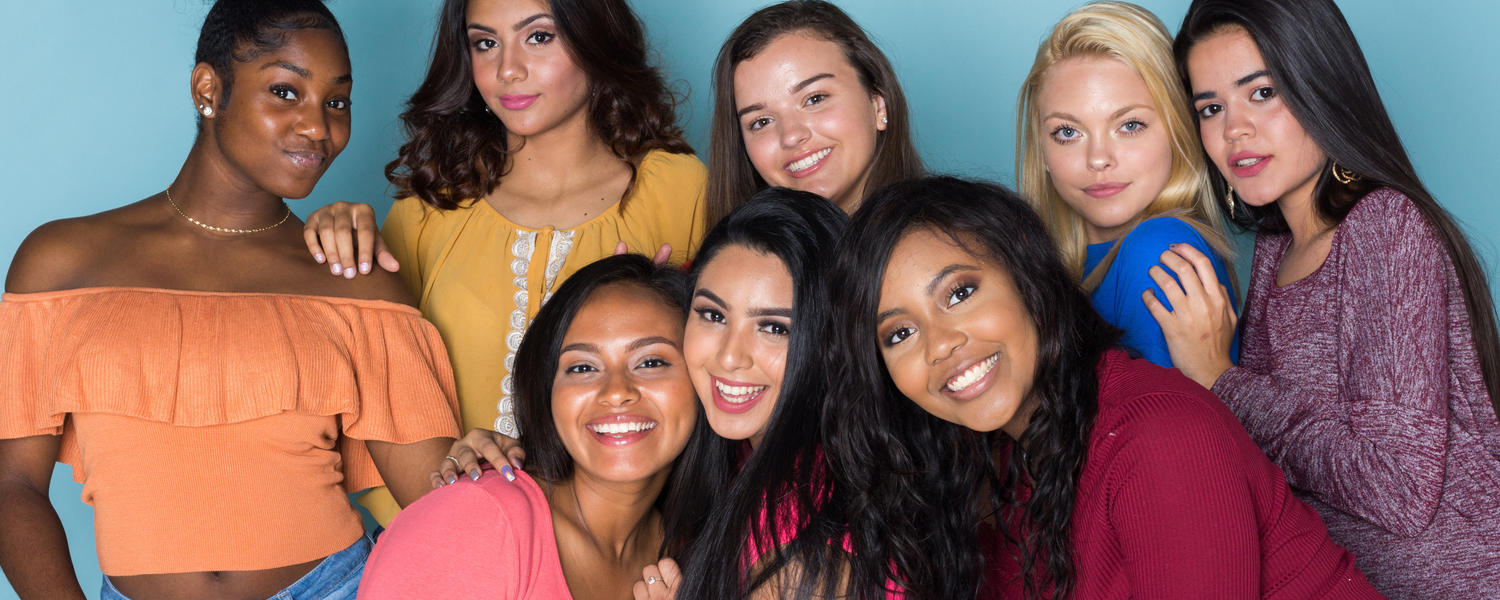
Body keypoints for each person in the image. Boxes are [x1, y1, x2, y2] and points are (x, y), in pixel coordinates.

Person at [0, 2, 460, 599]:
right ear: (208, 88)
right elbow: (13, 485)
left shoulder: (353, 277)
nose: (319, 127)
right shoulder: (61, 262)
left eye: (337, 101)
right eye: (285, 91)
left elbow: (441, 505)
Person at [824, 177, 1379, 599]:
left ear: (1026, 276)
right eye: (899, 333)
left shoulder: (1159, 437)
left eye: (960, 293)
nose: (939, 344)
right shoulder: (996, 470)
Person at [301, 0, 708, 524]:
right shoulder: (431, 208)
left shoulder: (679, 189)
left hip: (623, 546)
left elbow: (715, 376)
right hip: (452, 537)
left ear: (594, 36)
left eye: (538, 37)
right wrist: (338, 234)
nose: (506, 69)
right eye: (484, 43)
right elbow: (384, 388)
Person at [1149, 0, 1500, 595]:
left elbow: (1400, 487)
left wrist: (1221, 378)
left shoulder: (1384, 226)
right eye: (1211, 108)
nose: (1234, 129)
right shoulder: (1272, 252)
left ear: (1321, 86)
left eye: (1261, 93)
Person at [439, 189, 856, 599]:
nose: (729, 357)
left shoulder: (808, 549)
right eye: (713, 315)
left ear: (833, 340)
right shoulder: (727, 467)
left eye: (774, 328)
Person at [358, 254, 707, 599]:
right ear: (547, 393)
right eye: (582, 368)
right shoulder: (476, 521)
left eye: (650, 362)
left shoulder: (696, 553)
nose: (616, 392)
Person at [1015, 1, 1237, 367]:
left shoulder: (1159, 253)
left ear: (1177, 129)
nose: (1098, 159)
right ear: (1041, 149)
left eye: (1130, 125)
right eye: (1067, 132)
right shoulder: (1050, 272)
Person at [704, 0, 923, 225]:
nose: (790, 135)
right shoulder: (731, 255)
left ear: (879, 104)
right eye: (762, 122)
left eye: (814, 99)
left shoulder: (943, 248)